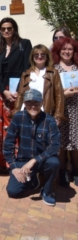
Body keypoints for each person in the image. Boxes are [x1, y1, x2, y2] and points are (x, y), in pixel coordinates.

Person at [4, 89, 60, 206]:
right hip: (23, 162)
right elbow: (8, 143)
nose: (33, 106)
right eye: (29, 103)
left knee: (54, 162)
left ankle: (47, 191)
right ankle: (34, 179)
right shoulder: (18, 117)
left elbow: (55, 145)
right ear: (24, 103)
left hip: (42, 161)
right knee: (13, 192)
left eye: (36, 103)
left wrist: (34, 160)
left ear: (42, 103)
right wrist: (13, 167)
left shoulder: (49, 120)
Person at [0, 17, 32, 172]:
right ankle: (4, 162)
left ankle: (18, 161)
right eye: (3, 29)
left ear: (14, 29)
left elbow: (27, 68)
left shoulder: (24, 44)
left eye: (9, 28)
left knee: (18, 127)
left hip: (19, 92)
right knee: (2, 128)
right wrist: (4, 90)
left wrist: (18, 91)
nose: (6, 31)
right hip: (4, 92)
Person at [52, 37, 78, 187]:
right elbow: (50, 91)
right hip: (61, 109)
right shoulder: (54, 69)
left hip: (76, 109)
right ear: (58, 51)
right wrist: (63, 94)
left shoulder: (77, 67)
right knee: (61, 143)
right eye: (64, 49)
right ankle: (62, 172)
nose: (67, 52)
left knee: (76, 143)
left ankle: (75, 170)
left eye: (70, 49)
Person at [14, 45, 64, 121]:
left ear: (47, 57)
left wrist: (58, 115)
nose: (39, 57)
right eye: (36, 55)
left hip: (45, 112)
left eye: (43, 55)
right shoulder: (26, 74)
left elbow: (59, 95)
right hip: (28, 111)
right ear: (32, 57)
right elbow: (21, 94)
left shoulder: (53, 72)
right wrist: (16, 111)